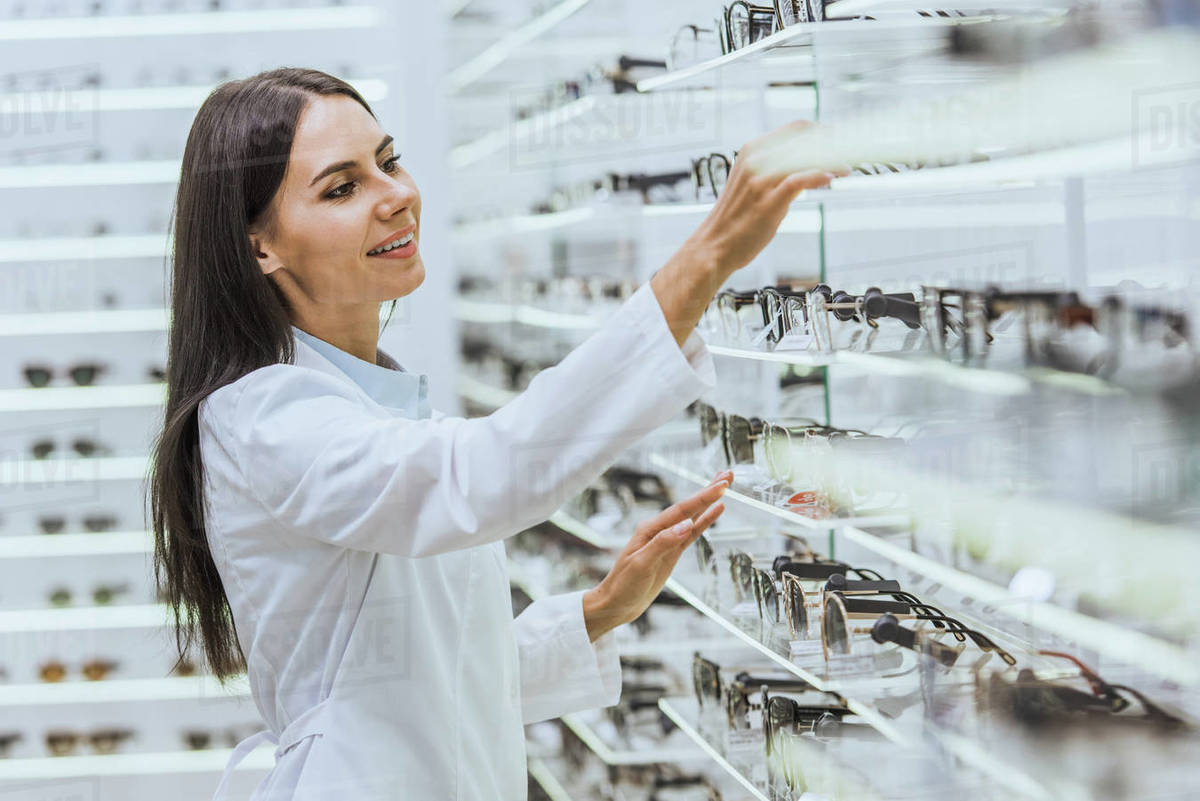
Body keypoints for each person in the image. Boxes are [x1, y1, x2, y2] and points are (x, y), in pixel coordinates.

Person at [148, 68, 835, 801]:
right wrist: (707, 259)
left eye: (388, 160)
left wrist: (600, 608)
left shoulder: (373, 401)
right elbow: (487, 474)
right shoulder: (266, 419)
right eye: (341, 188)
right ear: (260, 248)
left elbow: (435, 680)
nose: (397, 195)